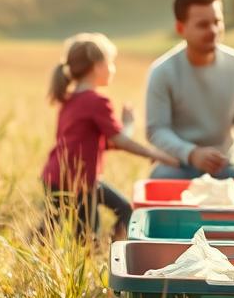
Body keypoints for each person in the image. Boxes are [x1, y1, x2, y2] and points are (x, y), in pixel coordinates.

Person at [40, 33, 178, 240]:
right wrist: (155, 153)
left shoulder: (70, 99)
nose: (113, 68)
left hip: (58, 177)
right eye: (110, 63)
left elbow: (107, 141)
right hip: (79, 182)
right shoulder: (96, 101)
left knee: (54, 226)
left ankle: (109, 248)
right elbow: (119, 140)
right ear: (97, 66)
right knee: (86, 237)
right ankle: (108, 252)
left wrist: (128, 125)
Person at [145, 0, 234, 180]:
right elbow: (157, 131)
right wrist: (192, 154)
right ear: (180, 28)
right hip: (176, 165)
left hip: (227, 164)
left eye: (217, 21)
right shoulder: (162, 71)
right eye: (203, 24)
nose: (213, 30)